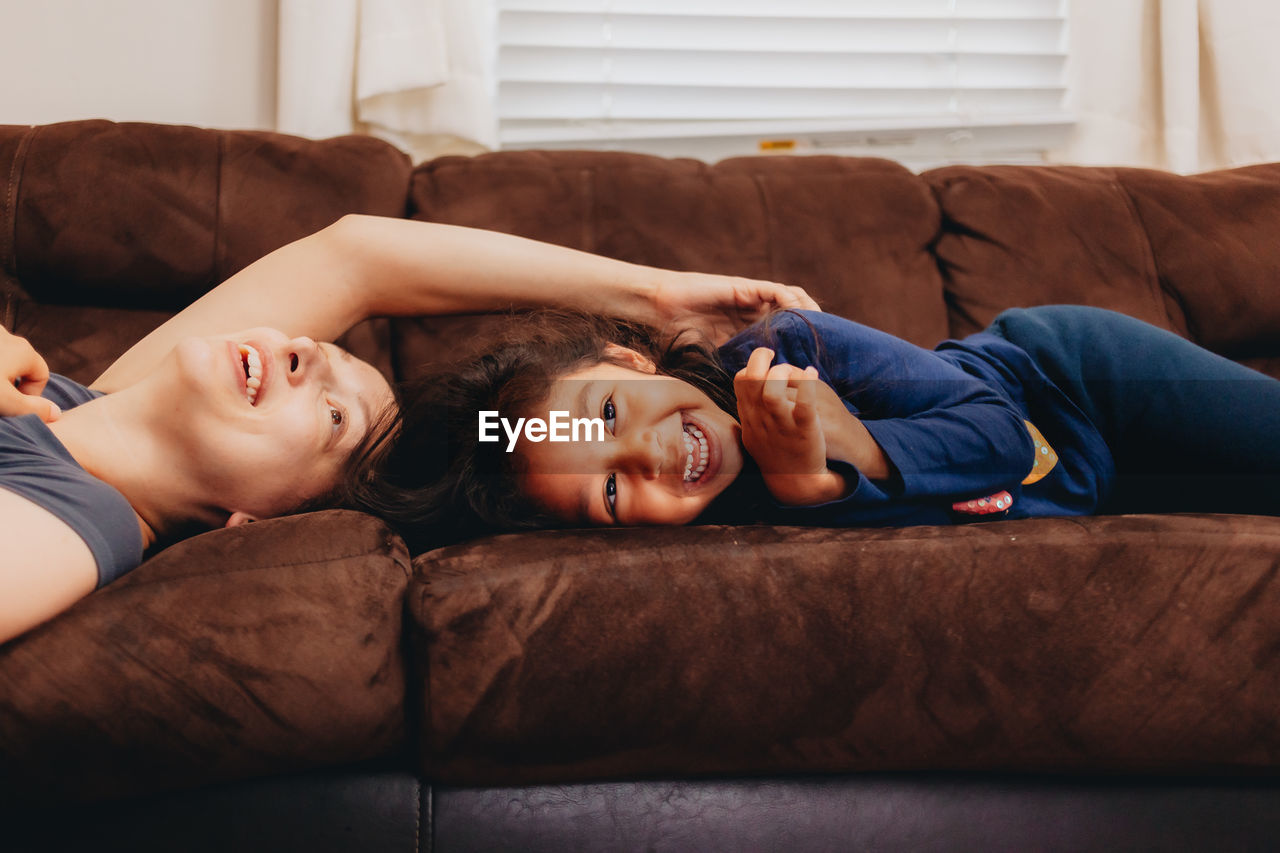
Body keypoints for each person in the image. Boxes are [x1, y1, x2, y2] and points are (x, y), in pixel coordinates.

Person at [0, 214, 815, 644]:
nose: (296, 355)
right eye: (318, 355)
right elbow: (357, 258)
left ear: (245, 525)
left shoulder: (77, 518)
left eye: (328, 416)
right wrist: (658, 298)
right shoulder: (83, 405)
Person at [359, 305, 1280, 548]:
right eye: (609, 489)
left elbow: (1001, 435)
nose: (649, 453)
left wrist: (840, 451)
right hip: (1098, 492)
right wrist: (808, 491)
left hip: (1081, 384)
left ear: (625, 360)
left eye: (607, 415)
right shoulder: (722, 531)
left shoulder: (793, 348)